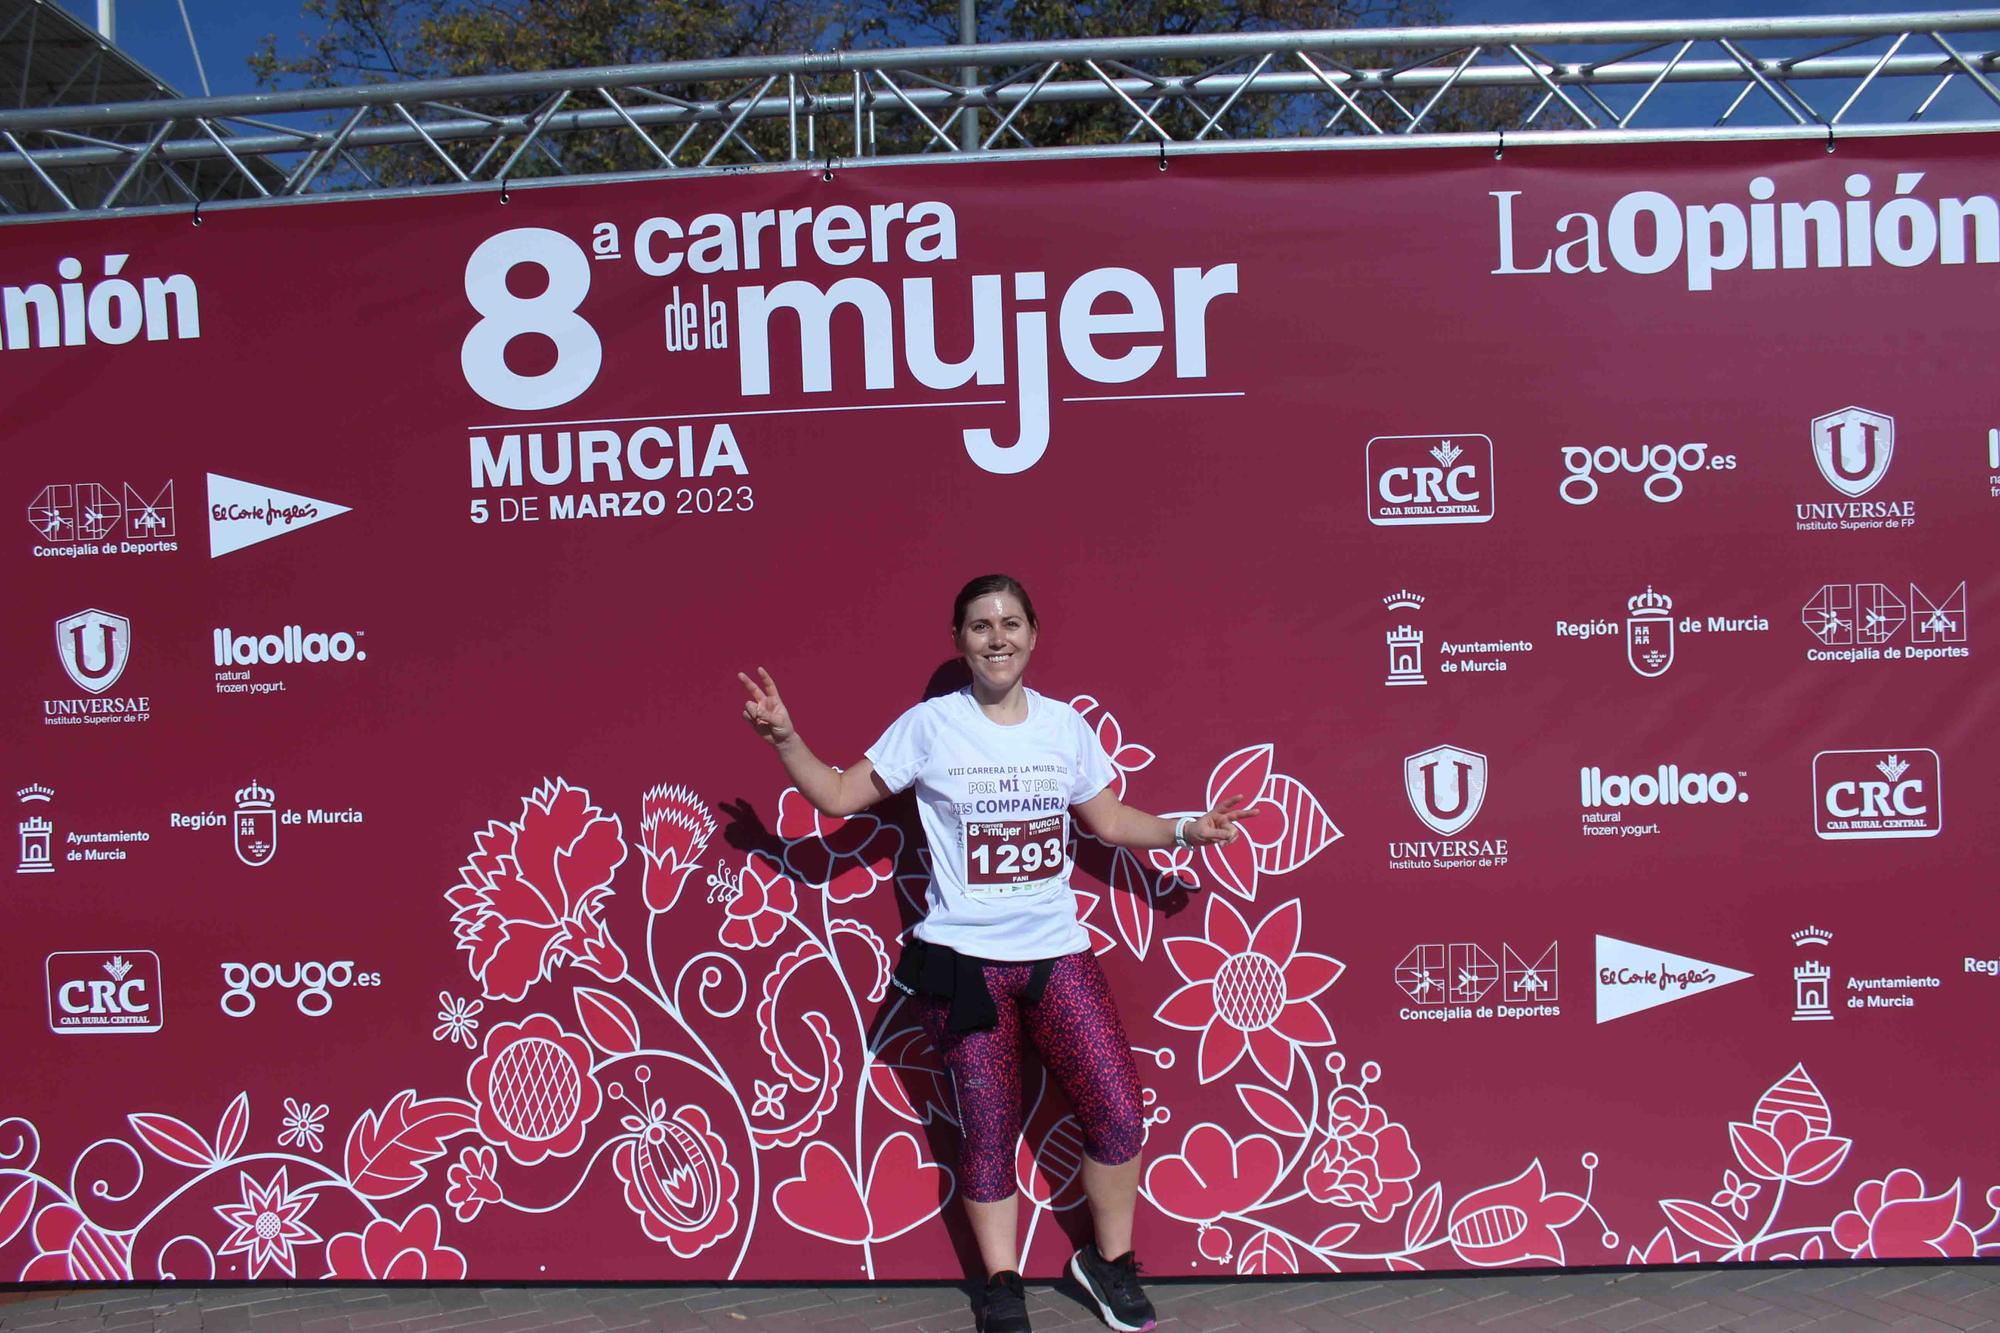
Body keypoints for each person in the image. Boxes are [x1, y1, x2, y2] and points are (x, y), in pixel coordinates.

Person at [738, 574, 1251, 1333]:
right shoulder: (930, 726)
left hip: (1057, 956)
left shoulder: (1064, 726)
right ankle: (1002, 1285)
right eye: (981, 625)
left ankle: (1107, 1266)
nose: (998, 637)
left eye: (1011, 622)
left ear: (1035, 634)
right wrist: (784, 737)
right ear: (959, 640)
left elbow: (1107, 819)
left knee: (1117, 1110)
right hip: (964, 965)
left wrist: (1183, 831)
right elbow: (842, 796)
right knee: (987, 1131)